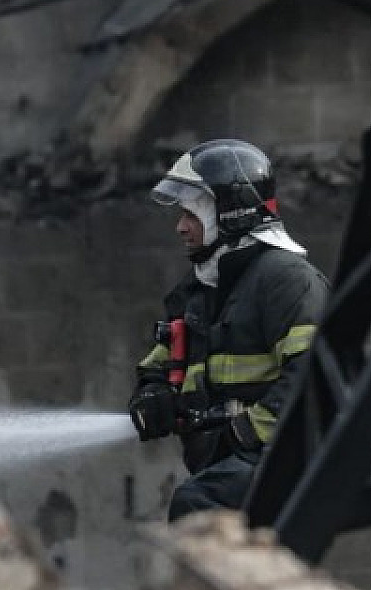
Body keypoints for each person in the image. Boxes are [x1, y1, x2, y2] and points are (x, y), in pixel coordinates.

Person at [128, 139, 330, 521]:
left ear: (229, 211)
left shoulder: (286, 281)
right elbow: (161, 360)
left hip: (285, 460)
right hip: (230, 466)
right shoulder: (202, 288)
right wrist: (153, 394)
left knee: (198, 506)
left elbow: (313, 380)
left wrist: (244, 432)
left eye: (191, 214)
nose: (180, 227)